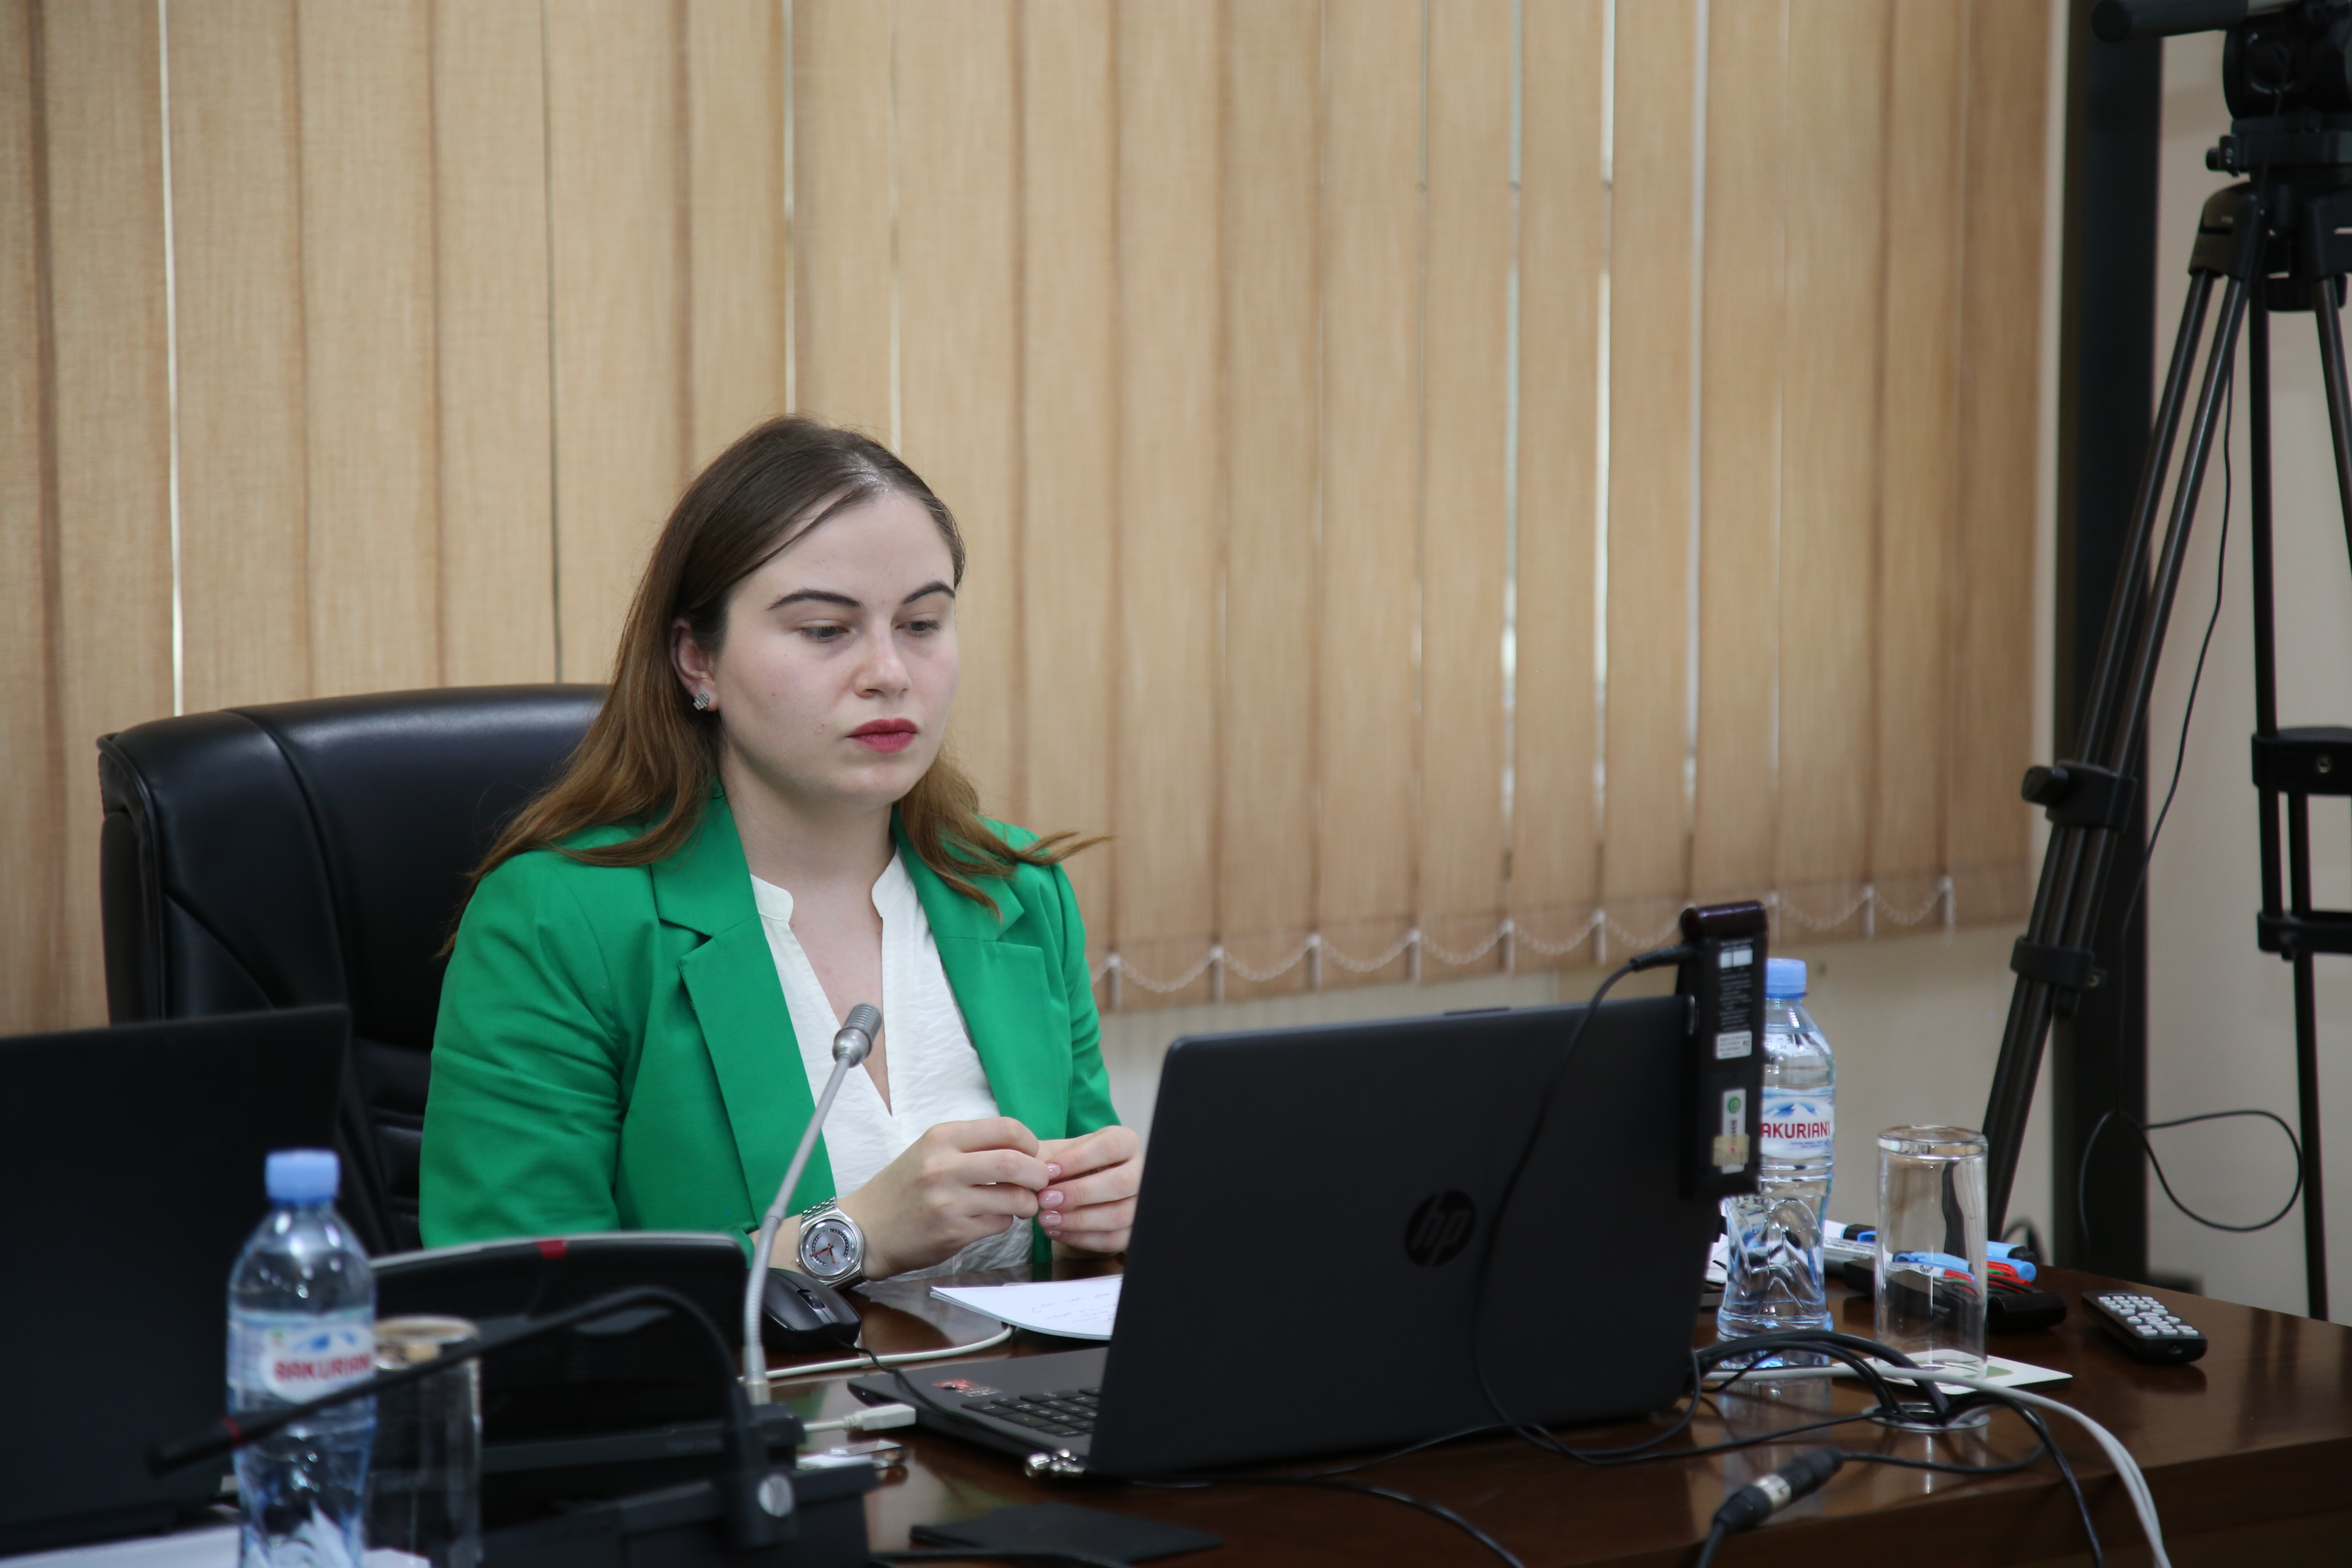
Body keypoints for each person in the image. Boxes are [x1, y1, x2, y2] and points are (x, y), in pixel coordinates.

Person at [420, 416, 1139, 1283]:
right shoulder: (558, 919)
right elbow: (513, 1294)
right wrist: (848, 1238)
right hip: (731, 1381)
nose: (889, 673)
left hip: (1012, 1378)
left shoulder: (1018, 891)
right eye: (826, 630)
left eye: (921, 623)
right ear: (698, 661)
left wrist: (1110, 1221)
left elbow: (1083, 1258)